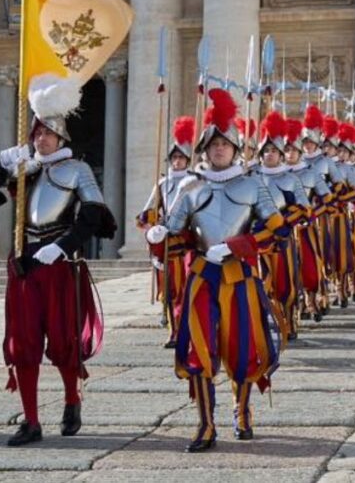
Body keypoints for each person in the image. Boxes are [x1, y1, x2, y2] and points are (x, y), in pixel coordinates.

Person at [0, 74, 117, 445]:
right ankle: (30, 420)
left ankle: (71, 398)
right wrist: (0, 160)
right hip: (25, 262)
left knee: (63, 339)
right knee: (23, 341)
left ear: (61, 137)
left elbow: (95, 215)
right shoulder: (23, 170)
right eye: (36, 133)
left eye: (47, 133)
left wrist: (63, 246)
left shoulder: (77, 169)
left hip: (59, 261)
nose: (40, 138)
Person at [145, 89, 287, 452]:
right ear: (205, 150)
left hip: (240, 276)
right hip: (204, 276)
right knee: (200, 349)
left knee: (242, 348)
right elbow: (174, 230)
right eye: (214, 145)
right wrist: (157, 236)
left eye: (226, 144)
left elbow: (278, 229)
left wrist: (240, 245)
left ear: (236, 150)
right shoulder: (190, 187)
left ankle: (242, 412)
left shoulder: (254, 184)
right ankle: (206, 424)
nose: (220, 149)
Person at [137, 116, 197, 348]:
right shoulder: (161, 184)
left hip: (189, 241)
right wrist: (152, 224)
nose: (177, 161)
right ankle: (174, 331)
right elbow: (147, 213)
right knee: (170, 289)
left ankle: (190, 327)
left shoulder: (195, 181)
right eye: (174, 158)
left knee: (189, 287)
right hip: (167, 243)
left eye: (181, 158)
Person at [254, 111, 311, 340]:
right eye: (266, 150)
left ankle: (289, 318)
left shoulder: (291, 179)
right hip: (257, 240)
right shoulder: (251, 179)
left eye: (274, 151)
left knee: (285, 283)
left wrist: (284, 222)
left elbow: (304, 208)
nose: (269, 154)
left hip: (282, 238)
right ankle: (266, 321)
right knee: (259, 283)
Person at [286, 117, 334, 321]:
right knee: (287, 269)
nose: (290, 154)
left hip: (308, 225)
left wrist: (313, 212)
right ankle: (293, 306)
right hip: (284, 228)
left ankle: (311, 299)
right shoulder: (276, 175)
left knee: (309, 266)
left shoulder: (312, 172)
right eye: (286, 150)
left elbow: (327, 197)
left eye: (294, 149)